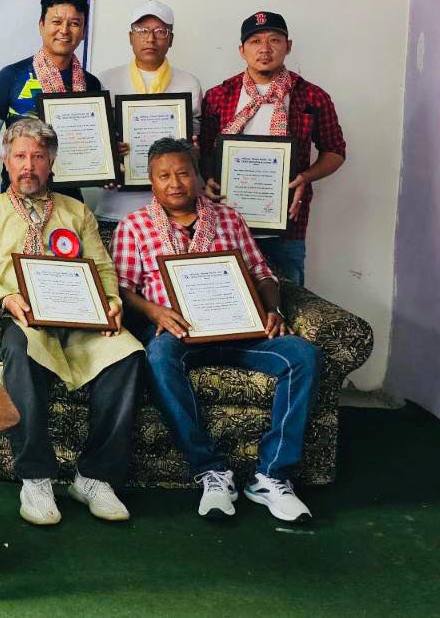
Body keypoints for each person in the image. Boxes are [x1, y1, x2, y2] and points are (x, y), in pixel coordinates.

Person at [113, 137, 320, 522]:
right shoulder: (134, 226)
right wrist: (155, 312)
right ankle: (211, 471)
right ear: (151, 182)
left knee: (302, 355)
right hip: (180, 335)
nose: (174, 183)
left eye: (182, 173)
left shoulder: (229, 219)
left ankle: (271, 476)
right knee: (157, 357)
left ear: (197, 176)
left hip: (241, 331)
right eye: (163, 176)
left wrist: (273, 309)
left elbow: (262, 273)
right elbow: (122, 289)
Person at [0, 118, 143, 526]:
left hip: (82, 319)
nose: (29, 166)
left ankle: (95, 477)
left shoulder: (77, 212)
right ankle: (36, 477)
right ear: (6, 160)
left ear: (52, 163)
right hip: (25, 318)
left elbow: (102, 268)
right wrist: (6, 298)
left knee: (127, 351)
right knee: (20, 350)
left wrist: (111, 302)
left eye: (38, 157)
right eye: (20, 156)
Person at [199, 11, 346, 285]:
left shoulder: (312, 96)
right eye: (255, 41)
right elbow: (205, 151)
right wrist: (208, 178)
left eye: (274, 40)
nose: (265, 49)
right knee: (228, 298)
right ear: (242, 50)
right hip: (225, 225)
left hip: (286, 229)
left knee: (290, 300)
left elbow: (335, 151)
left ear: (288, 46)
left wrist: (305, 177)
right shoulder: (219, 95)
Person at [95, 0, 204, 239]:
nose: (150, 39)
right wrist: (108, 154)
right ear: (130, 37)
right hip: (117, 208)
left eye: (160, 31)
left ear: (171, 39)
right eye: (142, 31)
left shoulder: (189, 84)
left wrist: (193, 151)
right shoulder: (106, 80)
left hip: (175, 212)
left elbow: (195, 145)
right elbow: (97, 143)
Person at [0, 0, 104, 188]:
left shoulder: (90, 83)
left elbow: (95, 139)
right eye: (56, 22)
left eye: (74, 23)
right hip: (19, 189)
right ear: (41, 26)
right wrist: (12, 155)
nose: (64, 30)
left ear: (83, 31)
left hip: (68, 191)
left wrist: (108, 160)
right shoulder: (12, 75)